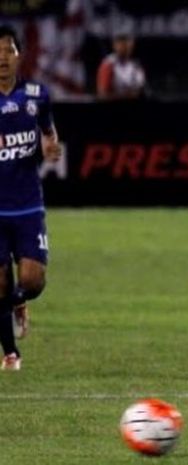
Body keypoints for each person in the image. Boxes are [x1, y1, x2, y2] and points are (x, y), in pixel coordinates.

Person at [0, 25, 62, 371]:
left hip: (27, 205)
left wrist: (52, 146)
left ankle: (19, 303)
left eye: (9, 51)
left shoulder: (37, 95)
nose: (2, 59)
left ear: (19, 56)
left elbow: (50, 134)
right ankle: (10, 354)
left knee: (33, 281)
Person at [96, 31, 146, 99]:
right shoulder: (108, 64)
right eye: (122, 43)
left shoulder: (136, 66)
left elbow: (140, 89)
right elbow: (102, 94)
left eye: (128, 42)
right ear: (114, 45)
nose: (126, 46)